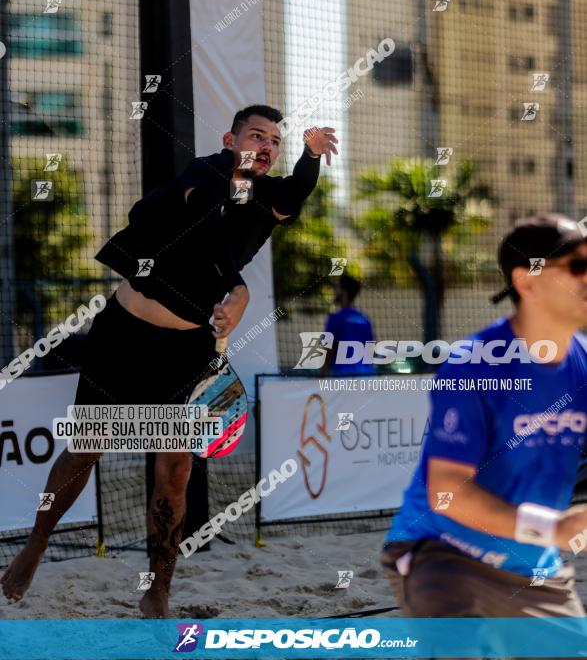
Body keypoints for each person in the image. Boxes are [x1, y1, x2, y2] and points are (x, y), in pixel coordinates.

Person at [1, 104, 337, 617]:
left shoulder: (266, 196)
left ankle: (158, 588)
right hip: (124, 338)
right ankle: (36, 545)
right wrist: (239, 288)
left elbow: (294, 193)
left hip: (186, 351)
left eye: (275, 139)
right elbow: (208, 228)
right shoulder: (204, 173)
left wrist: (311, 156)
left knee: (174, 470)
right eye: (255, 134)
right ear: (231, 140)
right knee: (86, 450)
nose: (266, 144)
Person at [381, 213, 587, 619]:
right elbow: (447, 492)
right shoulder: (474, 365)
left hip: (534, 569)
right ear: (528, 282)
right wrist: (554, 528)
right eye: (579, 266)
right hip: (444, 555)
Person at [323, 275, 375, 375]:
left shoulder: (335, 318)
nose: (335, 291)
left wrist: (323, 373)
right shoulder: (365, 319)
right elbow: (371, 348)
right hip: (366, 375)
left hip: (342, 376)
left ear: (344, 292)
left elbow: (328, 348)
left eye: (337, 287)